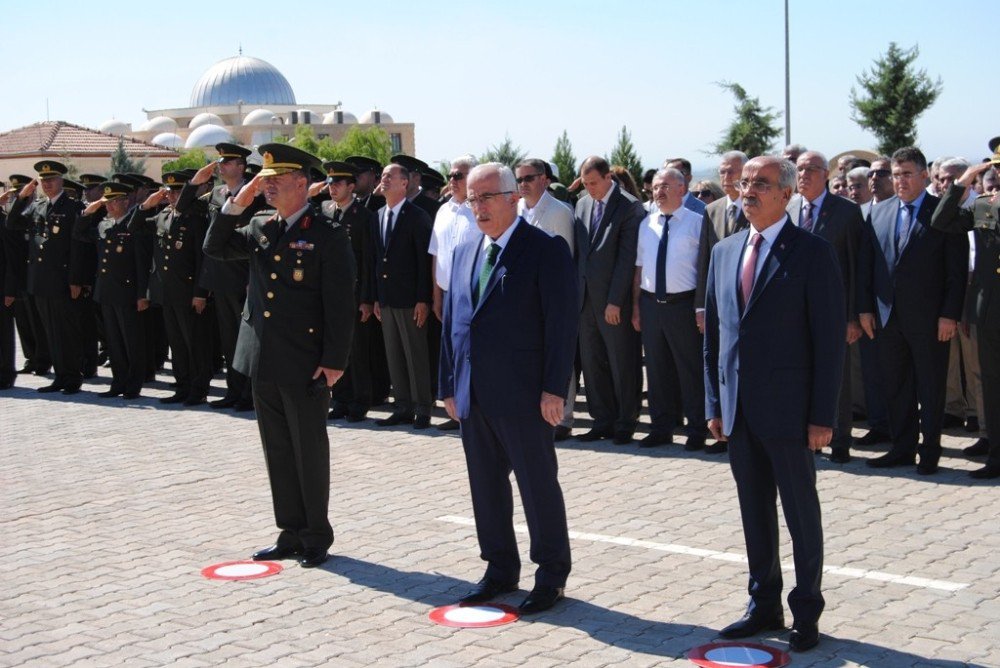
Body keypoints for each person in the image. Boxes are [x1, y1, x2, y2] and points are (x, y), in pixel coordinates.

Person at [704, 155, 845, 653]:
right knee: (753, 511)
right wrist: (714, 402)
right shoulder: (723, 252)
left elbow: (828, 343)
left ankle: (806, 610)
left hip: (791, 412)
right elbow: (716, 338)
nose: (748, 191)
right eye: (744, 183)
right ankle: (762, 602)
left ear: (787, 194)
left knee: (801, 514)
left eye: (760, 184)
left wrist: (821, 416)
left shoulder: (811, 252)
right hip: (739, 410)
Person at [204, 143, 356, 568]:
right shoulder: (259, 226)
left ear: (302, 183)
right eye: (264, 179)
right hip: (264, 355)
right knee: (277, 448)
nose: (267, 186)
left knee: (308, 449)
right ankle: (289, 530)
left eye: (276, 180)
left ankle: (315, 535)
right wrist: (239, 200)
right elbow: (214, 247)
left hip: (306, 359)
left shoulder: (327, 233)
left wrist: (335, 360)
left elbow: (340, 303)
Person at [440, 162, 577, 614]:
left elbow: (561, 327)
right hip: (474, 393)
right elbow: (453, 328)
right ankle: (499, 569)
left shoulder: (545, 250)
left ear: (512, 198)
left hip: (524, 396)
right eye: (471, 198)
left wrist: (555, 389)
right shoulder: (463, 250)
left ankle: (551, 575)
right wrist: (448, 384)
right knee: (485, 487)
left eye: (486, 198)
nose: (477, 207)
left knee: (538, 487)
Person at [858, 146, 968, 475]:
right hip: (887, 317)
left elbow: (956, 271)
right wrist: (864, 308)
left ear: (923, 175)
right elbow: (868, 265)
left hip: (931, 319)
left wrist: (949, 313)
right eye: (896, 175)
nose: (901, 181)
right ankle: (902, 448)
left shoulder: (943, 213)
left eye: (907, 174)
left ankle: (930, 452)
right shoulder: (878, 212)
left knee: (931, 387)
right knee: (896, 385)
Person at [787, 151, 864, 463]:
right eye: (799, 169)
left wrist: (853, 316)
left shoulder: (845, 212)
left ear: (826, 175)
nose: (803, 174)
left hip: (833, 310)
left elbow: (857, 267)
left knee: (835, 377)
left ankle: (841, 440)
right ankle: (807, 438)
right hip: (793, 312)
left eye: (811, 169)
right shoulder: (788, 208)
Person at [931, 145, 1000, 479]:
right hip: (989, 311)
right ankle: (997, 456)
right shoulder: (985, 206)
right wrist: (964, 183)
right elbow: (941, 221)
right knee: (992, 383)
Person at [180, 143, 266, 412]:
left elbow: (258, 237)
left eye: (227, 162)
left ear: (241, 166)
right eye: (220, 162)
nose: (221, 166)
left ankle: (249, 394)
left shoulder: (253, 193)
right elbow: (184, 208)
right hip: (220, 277)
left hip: (244, 276)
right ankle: (233, 390)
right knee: (229, 339)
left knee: (247, 340)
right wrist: (196, 182)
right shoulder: (216, 194)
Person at [631, 168, 708, 449]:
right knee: (657, 369)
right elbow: (639, 269)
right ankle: (661, 427)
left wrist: (701, 307)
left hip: (683, 305)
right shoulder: (646, 224)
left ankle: (697, 429)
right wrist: (636, 307)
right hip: (652, 305)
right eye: (654, 188)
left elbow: (704, 270)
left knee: (689, 370)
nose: (658, 192)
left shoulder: (697, 223)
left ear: (681, 188)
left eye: (665, 186)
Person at [574, 156, 645, 444]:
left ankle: (626, 421)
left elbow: (627, 260)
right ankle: (601, 419)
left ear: (608, 178)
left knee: (622, 361)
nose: (589, 188)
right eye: (585, 183)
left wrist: (615, 300)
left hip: (614, 300)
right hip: (585, 299)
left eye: (593, 183)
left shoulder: (629, 207)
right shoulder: (581, 204)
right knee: (592, 362)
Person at [6, 161, 87, 394]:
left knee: (66, 331)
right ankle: (60, 376)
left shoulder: (73, 207)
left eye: (51, 179)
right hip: (41, 281)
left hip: (62, 281)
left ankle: (73, 376)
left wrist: (76, 280)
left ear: (61, 180)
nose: (47, 184)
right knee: (50, 331)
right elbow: (13, 223)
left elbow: (77, 247)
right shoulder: (38, 206)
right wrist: (22, 198)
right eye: (43, 180)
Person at [132, 172, 212, 406]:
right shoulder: (162, 216)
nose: (174, 196)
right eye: (171, 192)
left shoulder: (195, 218)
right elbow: (134, 226)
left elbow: (201, 258)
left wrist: (200, 292)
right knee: (176, 343)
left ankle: (198, 389)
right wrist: (147, 204)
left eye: (178, 191)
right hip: (166, 291)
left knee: (193, 343)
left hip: (188, 292)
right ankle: (183, 385)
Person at [516, 158, 577, 440]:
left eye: (529, 178)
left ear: (544, 179)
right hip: (522, 297)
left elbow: (564, 260)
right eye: (519, 180)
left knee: (558, 351)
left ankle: (564, 416)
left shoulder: (559, 211)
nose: (523, 184)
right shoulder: (516, 209)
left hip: (549, 294)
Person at [372, 160, 435, 429]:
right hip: (387, 298)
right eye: (383, 176)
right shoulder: (378, 216)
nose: (384, 179)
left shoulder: (417, 216)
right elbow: (377, 260)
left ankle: (423, 408)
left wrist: (424, 299)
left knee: (415, 354)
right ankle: (403, 406)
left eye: (390, 176)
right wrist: (376, 296)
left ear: (404, 182)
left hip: (411, 300)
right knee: (394, 354)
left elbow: (424, 261)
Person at [76, 181, 152, 399]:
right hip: (107, 291)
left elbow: (141, 263)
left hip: (128, 293)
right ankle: (118, 381)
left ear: (125, 202)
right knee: (114, 341)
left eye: (113, 202)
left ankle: (133, 384)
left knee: (132, 341)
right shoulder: (103, 225)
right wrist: (88, 211)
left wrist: (141, 294)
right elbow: (79, 233)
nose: (108, 206)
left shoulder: (133, 226)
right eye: (106, 202)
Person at [321, 161, 379, 424]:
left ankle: (360, 401)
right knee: (336, 348)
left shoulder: (364, 217)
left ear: (351, 186)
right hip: (330, 295)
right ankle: (341, 398)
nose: (332, 188)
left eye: (338, 183)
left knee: (357, 351)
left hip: (355, 295)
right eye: (330, 183)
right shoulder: (325, 211)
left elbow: (368, 261)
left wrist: (367, 299)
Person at [428, 155, 479, 431]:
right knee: (449, 353)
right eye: (450, 175)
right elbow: (436, 255)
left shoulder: (480, 209)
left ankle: (471, 407)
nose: (452, 180)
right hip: (447, 295)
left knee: (469, 352)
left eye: (459, 175)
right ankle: (455, 408)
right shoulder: (443, 211)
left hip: (473, 295)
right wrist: (437, 296)